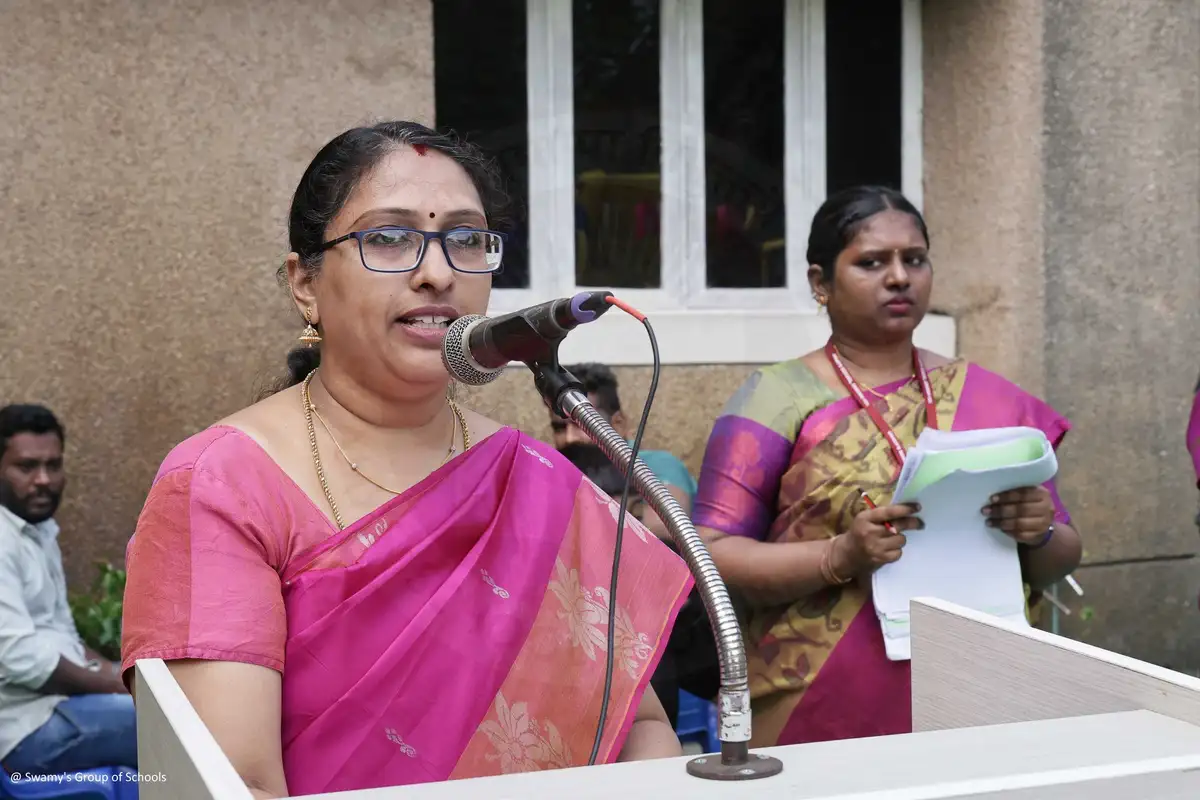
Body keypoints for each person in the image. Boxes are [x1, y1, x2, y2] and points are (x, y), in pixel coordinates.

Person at [119, 122, 689, 799]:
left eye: (466, 238)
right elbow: (233, 784)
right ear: (306, 284)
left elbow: (639, 726)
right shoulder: (222, 484)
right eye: (388, 237)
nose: (437, 272)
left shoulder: (535, 478)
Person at [692, 186, 1083, 747]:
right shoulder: (774, 398)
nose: (899, 277)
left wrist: (1039, 531)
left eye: (914, 259)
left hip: (977, 687)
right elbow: (714, 553)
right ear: (820, 283)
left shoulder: (991, 400)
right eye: (871, 262)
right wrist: (839, 556)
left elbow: (1057, 559)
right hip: (820, 702)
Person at [0, 405, 137, 776]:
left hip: (57, 706)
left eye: (53, 465)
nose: (43, 479)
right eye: (26, 467)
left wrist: (116, 672)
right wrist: (121, 687)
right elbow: (22, 658)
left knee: (172, 719)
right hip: (21, 731)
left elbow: (63, 635)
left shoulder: (37, 530)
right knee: (168, 731)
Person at [549, 363, 698, 542]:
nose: (568, 438)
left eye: (580, 425)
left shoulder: (656, 465)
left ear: (618, 424)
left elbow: (666, 528)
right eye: (559, 428)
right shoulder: (556, 468)